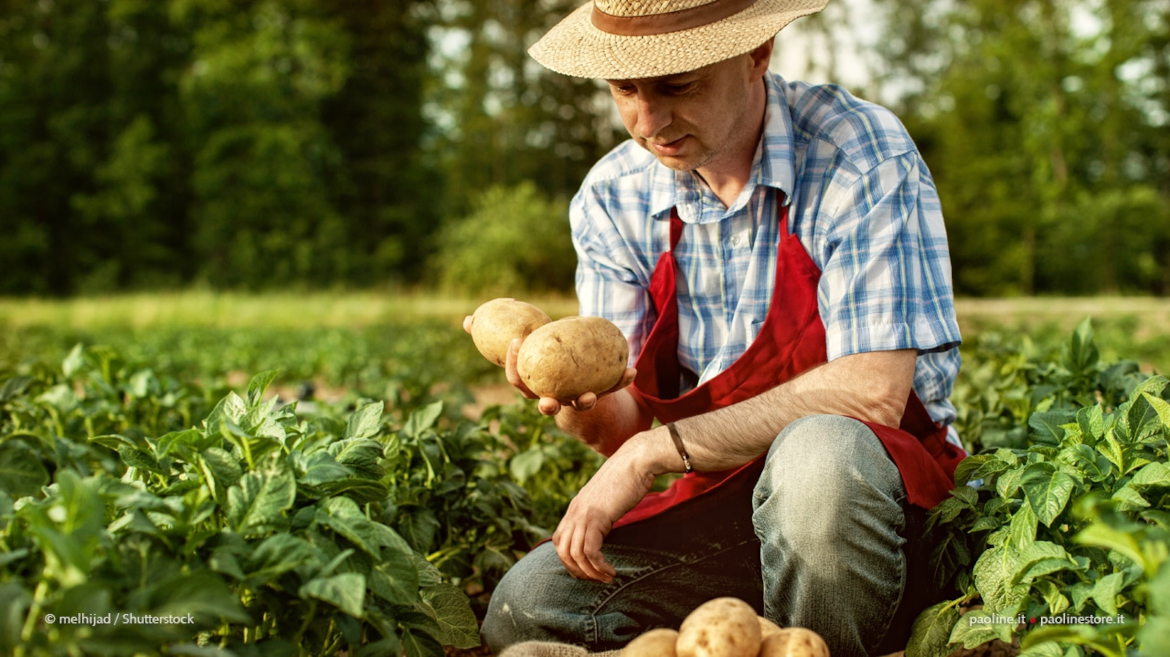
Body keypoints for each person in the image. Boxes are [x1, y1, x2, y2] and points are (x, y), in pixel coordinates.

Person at [472, 1, 969, 655]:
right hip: (722, 505)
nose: (648, 122)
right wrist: (572, 400)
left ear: (757, 54)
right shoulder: (611, 197)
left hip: (873, 509)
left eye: (678, 85)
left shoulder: (859, 157)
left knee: (817, 460)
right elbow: (619, 423)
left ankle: (848, 633)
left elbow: (872, 392)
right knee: (526, 607)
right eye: (626, 90)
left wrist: (654, 450)